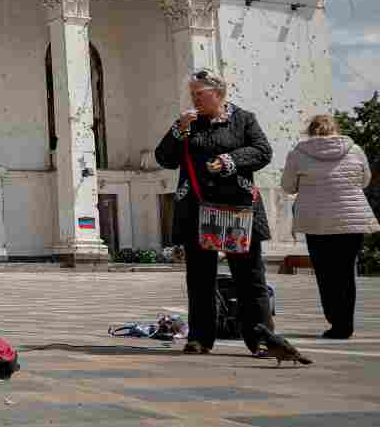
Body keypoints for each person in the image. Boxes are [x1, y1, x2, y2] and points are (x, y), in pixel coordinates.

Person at [155, 69, 274, 355]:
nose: (194, 99)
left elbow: (262, 151)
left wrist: (230, 160)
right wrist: (178, 130)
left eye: (200, 93)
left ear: (218, 94)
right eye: (192, 93)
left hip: (236, 211)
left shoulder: (244, 119)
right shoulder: (188, 123)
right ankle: (200, 338)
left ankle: (260, 338)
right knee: (199, 278)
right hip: (197, 210)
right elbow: (165, 158)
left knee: (249, 278)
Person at [283, 114, 378, 339]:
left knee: (325, 274)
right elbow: (364, 181)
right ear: (336, 129)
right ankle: (345, 325)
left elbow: (288, 186)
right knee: (345, 273)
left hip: (317, 222)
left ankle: (335, 322)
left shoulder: (298, 153)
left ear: (310, 130)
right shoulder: (355, 149)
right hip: (350, 220)